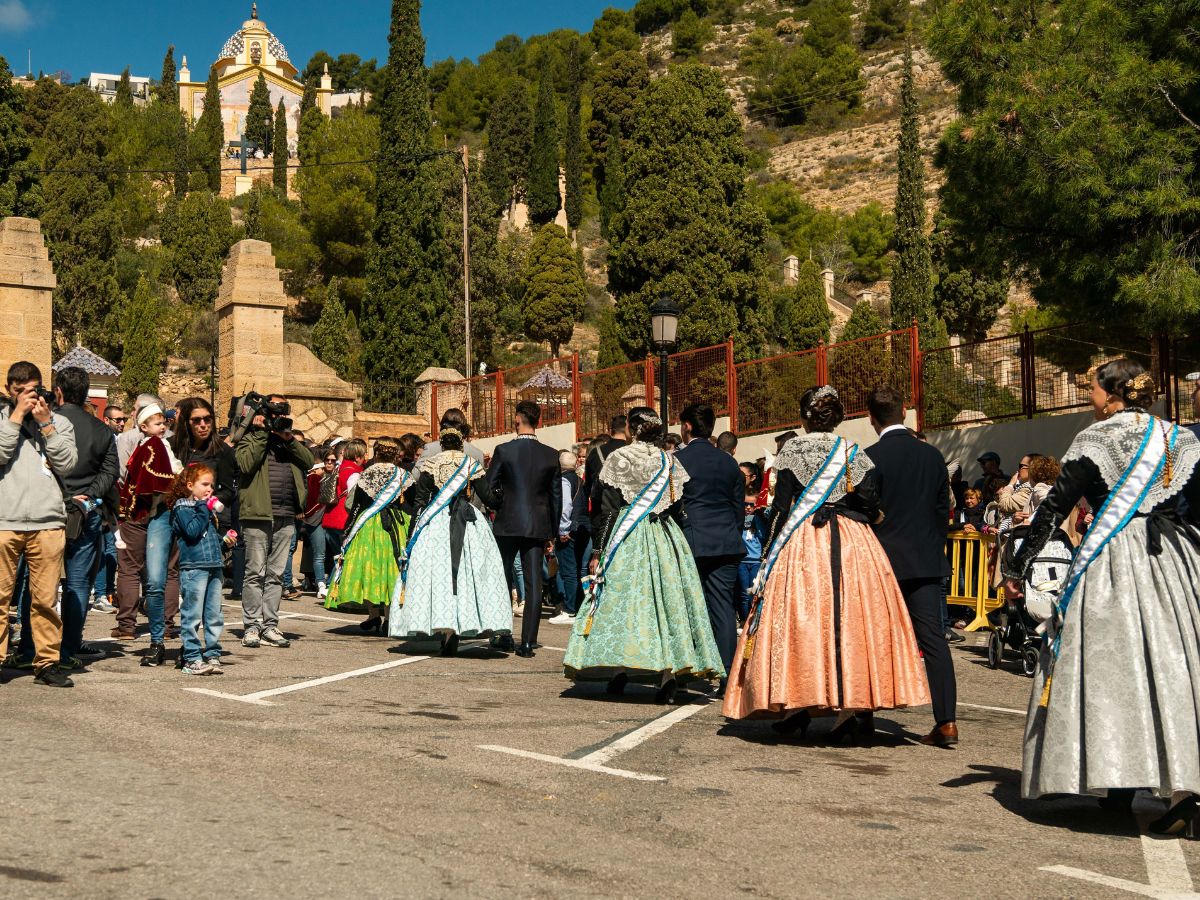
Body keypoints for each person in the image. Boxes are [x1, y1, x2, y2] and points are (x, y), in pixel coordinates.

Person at [1002, 360, 1200, 831]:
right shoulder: (1180, 439)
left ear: (1112, 395)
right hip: (1176, 557)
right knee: (1178, 667)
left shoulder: (1097, 439)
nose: (1088, 395)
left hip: (1118, 559)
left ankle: (1119, 782)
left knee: (1112, 669)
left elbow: (1055, 505)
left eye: (1091, 388)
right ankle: (1179, 784)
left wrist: (1018, 563)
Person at [723, 387, 930, 737]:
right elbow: (868, 500)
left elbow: (782, 508)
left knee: (801, 621)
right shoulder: (850, 450)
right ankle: (852, 707)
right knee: (852, 619)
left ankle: (800, 703)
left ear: (805, 417)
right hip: (851, 542)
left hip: (803, 542)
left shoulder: (792, 450)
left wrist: (768, 557)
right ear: (836, 419)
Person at [564, 408, 724, 702]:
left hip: (627, 538)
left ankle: (620, 671)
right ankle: (668, 675)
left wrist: (598, 549)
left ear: (632, 428)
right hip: (663, 536)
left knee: (625, 604)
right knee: (665, 605)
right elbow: (678, 508)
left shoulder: (619, 458)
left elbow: (607, 508)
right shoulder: (669, 460)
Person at [865, 385, 957, 747]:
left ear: (872, 418)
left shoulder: (869, 456)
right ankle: (947, 721)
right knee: (933, 640)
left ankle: (862, 714)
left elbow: (865, 510)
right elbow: (940, 511)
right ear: (904, 411)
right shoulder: (932, 456)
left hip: (882, 559)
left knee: (872, 637)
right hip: (924, 557)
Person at [24, 367, 118, 671]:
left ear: (59, 392)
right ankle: (68, 646)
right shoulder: (102, 430)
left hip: (46, 508)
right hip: (84, 511)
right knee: (78, 583)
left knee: (36, 582)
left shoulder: (42, 422)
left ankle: (29, 646)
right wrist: (88, 497)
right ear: (87, 393)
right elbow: (110, 472)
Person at [388, 427, 511, 655]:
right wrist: (501, 492)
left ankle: (444, 627)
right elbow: (490, 500)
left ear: (442, 445)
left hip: (435, 524)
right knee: (467, 575)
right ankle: (459, 625)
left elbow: (420, 502)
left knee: (438, 575)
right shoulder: (471, 465)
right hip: (468, 522)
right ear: (461, 445)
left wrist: (412, 532)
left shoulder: (431, 464)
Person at [0, 362, 78, 687]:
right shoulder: (3, 420)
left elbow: (68, 464)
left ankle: (47, 663)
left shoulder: (58, 422)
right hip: (4, 521)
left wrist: (46, 425)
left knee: (46, 599)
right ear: (9, 391)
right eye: (20, 393)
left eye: (31, 391)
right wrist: (17, 417)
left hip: (48, 523)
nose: (27, 399)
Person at [234, 394, 314, 650]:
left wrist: (287, 438)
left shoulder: (287, 443)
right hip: (258, 514)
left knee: (276, 575)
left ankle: (270, 625)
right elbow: (245, 464)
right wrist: (259, 433)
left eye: (282, 415)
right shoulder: (248, 437)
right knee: (254, 573)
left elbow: (309, 461)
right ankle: (251, 626)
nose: (278, 420)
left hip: (286, 515)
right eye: (274, 415)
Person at [674, 402, 746, 683]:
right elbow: (737, 507)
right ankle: (727, 672)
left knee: (687, 605)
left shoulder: (679, 460)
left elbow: (673, 503)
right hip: (727, 541)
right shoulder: (728, 462)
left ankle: (691, 668)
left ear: (687, 426)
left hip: (692, 539)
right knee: (723, 608)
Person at [486, 400, 562, 658]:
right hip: (537, 524)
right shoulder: (551, 454)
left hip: (507, 521)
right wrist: (551, 531)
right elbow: (556, 498)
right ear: (538, 421)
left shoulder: (504, 450)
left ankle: (503, 633)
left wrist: (497, 501)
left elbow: (490, 486)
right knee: (534, 584)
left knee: (503, 578)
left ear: (517, 419)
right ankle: (528, 641)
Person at [116, 404, 183, 663]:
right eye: (157, 423)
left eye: (163, 422)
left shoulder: (159, 445)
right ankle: (158, 637)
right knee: (156, 579)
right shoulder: (151, 446)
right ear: (143, 427)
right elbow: (155, 477)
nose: (163, 426)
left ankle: (143, 628)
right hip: (156, 514)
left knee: (161, 576)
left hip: (164, 513)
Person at [325, 437, 412, 633]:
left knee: (369, 568)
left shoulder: (366, 474)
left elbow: (352, 503)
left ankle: (374, 615)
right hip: (395, 527)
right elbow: (412, 501)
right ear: (395, 456)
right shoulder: (403, 475)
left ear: (377, 455)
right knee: (391, 569)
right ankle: (389, 618)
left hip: (368, 525)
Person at [169, 464, 235, 676]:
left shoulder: (204, 509)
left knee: (214, 614)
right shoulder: (183, 507)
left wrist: (225, 542)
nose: (210, 489)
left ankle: (212, 653)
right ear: (190, 485)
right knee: (192, 614)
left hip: (214, 565)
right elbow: (192, 532)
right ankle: (191, 657)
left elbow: (209, 537)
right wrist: (202, 507)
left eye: (212, 485)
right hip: (194, 567)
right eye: (204, 484)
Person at [549, 449, 590, 626]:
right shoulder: (578, 480)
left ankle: (569, 610)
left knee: (568, 571)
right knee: (579, 569)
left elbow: (565, 506)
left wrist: (563, 530)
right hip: (583, 527)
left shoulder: (564, 480)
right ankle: (577, 607)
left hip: (569, 530)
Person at [322, 438, 367, 575]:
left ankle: (332, 588)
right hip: (343, 520)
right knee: (344, 559)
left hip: (330, 518)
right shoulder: (354, 472)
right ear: (357, 456)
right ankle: (334, 590)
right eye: (364, 455)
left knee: (338, 558)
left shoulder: (338, 467)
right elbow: (353, 499)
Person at [301, 445, 335, 600]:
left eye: (332, 461)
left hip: (327, 520)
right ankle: (321, 584)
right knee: (320, 554)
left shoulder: (330, 477)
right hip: (316, 521)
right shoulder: (313, 479)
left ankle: (327, 583)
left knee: (333, 554)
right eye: (326, 461)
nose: (329, 464)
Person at [584, 415, 628, 531]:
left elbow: (587, 486)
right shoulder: (633, 451)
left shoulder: (596, 452)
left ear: (610, 430)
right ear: (629, 429)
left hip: (601, 514)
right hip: (627, 515)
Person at [736, 492, 767, 625]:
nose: (748, 508)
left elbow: (763, 537)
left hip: (755, 562)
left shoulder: (758, 520)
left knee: (754, 592)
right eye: (745, 504)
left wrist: (758, 521)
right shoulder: (738, 519)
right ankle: (744, 621)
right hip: (742, 561)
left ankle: (754, 620)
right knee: (743, 593)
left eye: (751, 505)